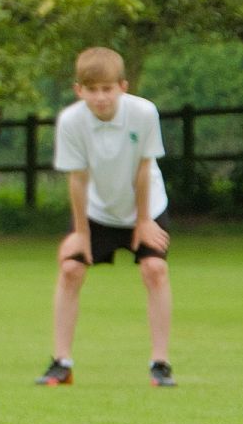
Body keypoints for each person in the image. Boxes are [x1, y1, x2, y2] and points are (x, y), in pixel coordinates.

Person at [41, 45, 176, 388]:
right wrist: (81, 233)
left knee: (155, 270)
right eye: (92, 90)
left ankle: (160, 364)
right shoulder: (72, 121)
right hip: (96, 209)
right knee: (70, 270)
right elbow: (77, 178)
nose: (100, 98)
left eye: (107, 89)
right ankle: (61, 363)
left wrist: (143, 221)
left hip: (146, 205)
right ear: (79, 90)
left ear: (123, 87)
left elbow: (144, 169)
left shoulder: (144, 113)